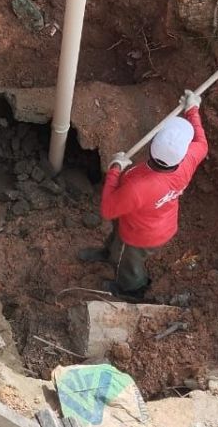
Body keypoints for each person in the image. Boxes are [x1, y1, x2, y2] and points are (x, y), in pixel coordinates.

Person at [78, 91, 208, 299]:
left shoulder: (139, 186)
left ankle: (131, 289)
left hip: (140, 236)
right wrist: (192, 110)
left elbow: (108, 209)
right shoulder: (188, 160)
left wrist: (114, 170)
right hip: (156, 223)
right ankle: (108, 253)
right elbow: (201, 141)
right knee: (116, 238)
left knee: (130, 263)